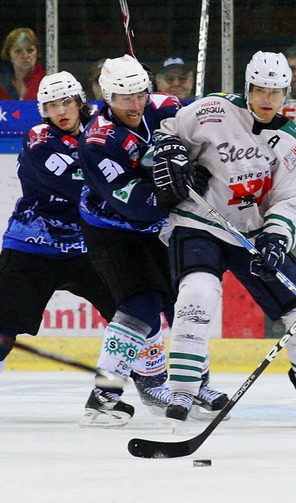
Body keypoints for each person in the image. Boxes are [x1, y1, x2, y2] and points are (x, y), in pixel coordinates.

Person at [150, 50, 296, 427]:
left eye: (276, 91)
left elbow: (291, 200)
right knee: (197, 295)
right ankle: (182, 391)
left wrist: (277, 237)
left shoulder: (293, 144)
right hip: (199, 222)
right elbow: (165, 138)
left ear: (286, 93)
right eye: (261, 90)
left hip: (252, 234)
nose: (268, 99)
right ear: (247, 87)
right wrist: (171, 156)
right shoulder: (209, 111)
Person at [0, 71, 174, 423]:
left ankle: (152, 383)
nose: (60, 111)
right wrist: (143, 165)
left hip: (86, 249)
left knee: (135, 314)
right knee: (4, 322)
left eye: (65, 102)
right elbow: (89, 182)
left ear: (80, 101)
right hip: (33, 248)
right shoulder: (38, 140)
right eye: (50, 105)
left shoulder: (104, 129)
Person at [77, 54, 225, 427]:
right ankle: (103, 395)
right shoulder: (97, 140)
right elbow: (135, 204)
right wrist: (177, 186)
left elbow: (201, 132)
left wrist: (189, 159)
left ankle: (193, 383)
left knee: (185, 301)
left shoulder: (165, 107)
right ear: (107, 97)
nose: (136, 104)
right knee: (141, 304)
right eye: (125, 98)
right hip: (113, 230)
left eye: (140, 94)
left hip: (161, 228)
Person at [0, 27, 45, 100]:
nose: (25, 56)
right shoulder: (2, 82)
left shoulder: (46, 82)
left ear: (37, 52)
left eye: (30, 50)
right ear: (8, 54)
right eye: (18, 51)